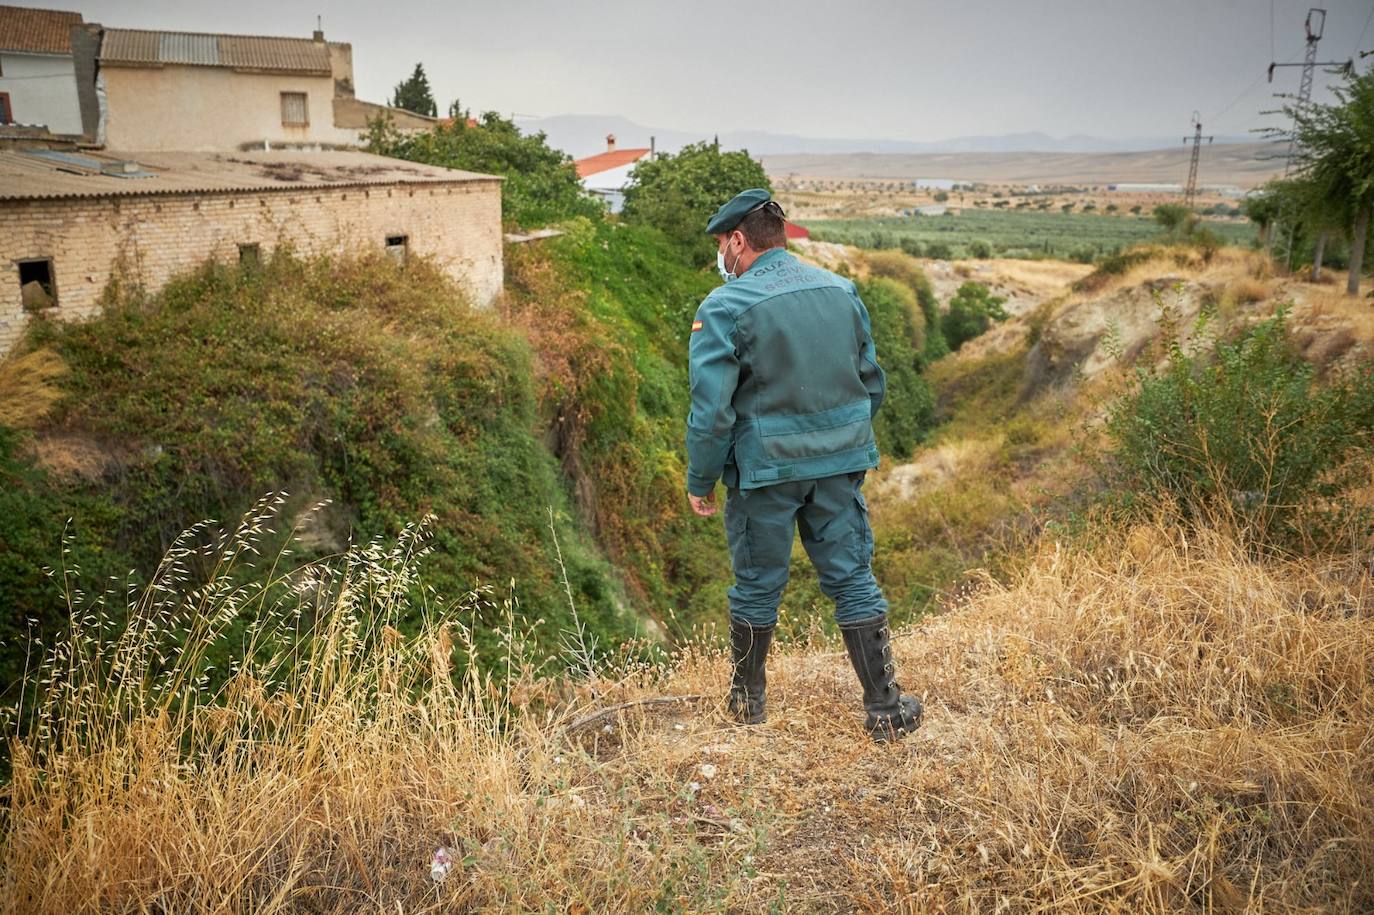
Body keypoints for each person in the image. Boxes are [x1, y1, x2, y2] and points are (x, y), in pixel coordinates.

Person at [685, 188, 923, 742]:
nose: (722, 255)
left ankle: (748, 708)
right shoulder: (841, 291)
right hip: (839, 466)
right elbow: (872, 381)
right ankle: (885, 709)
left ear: (738, 241)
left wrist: (701, 479)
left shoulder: (724, 307)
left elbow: (711, 410)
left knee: (757, 584)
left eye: (722, 244)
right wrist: (842, 441)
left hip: (764, 472)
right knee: (852, 578)